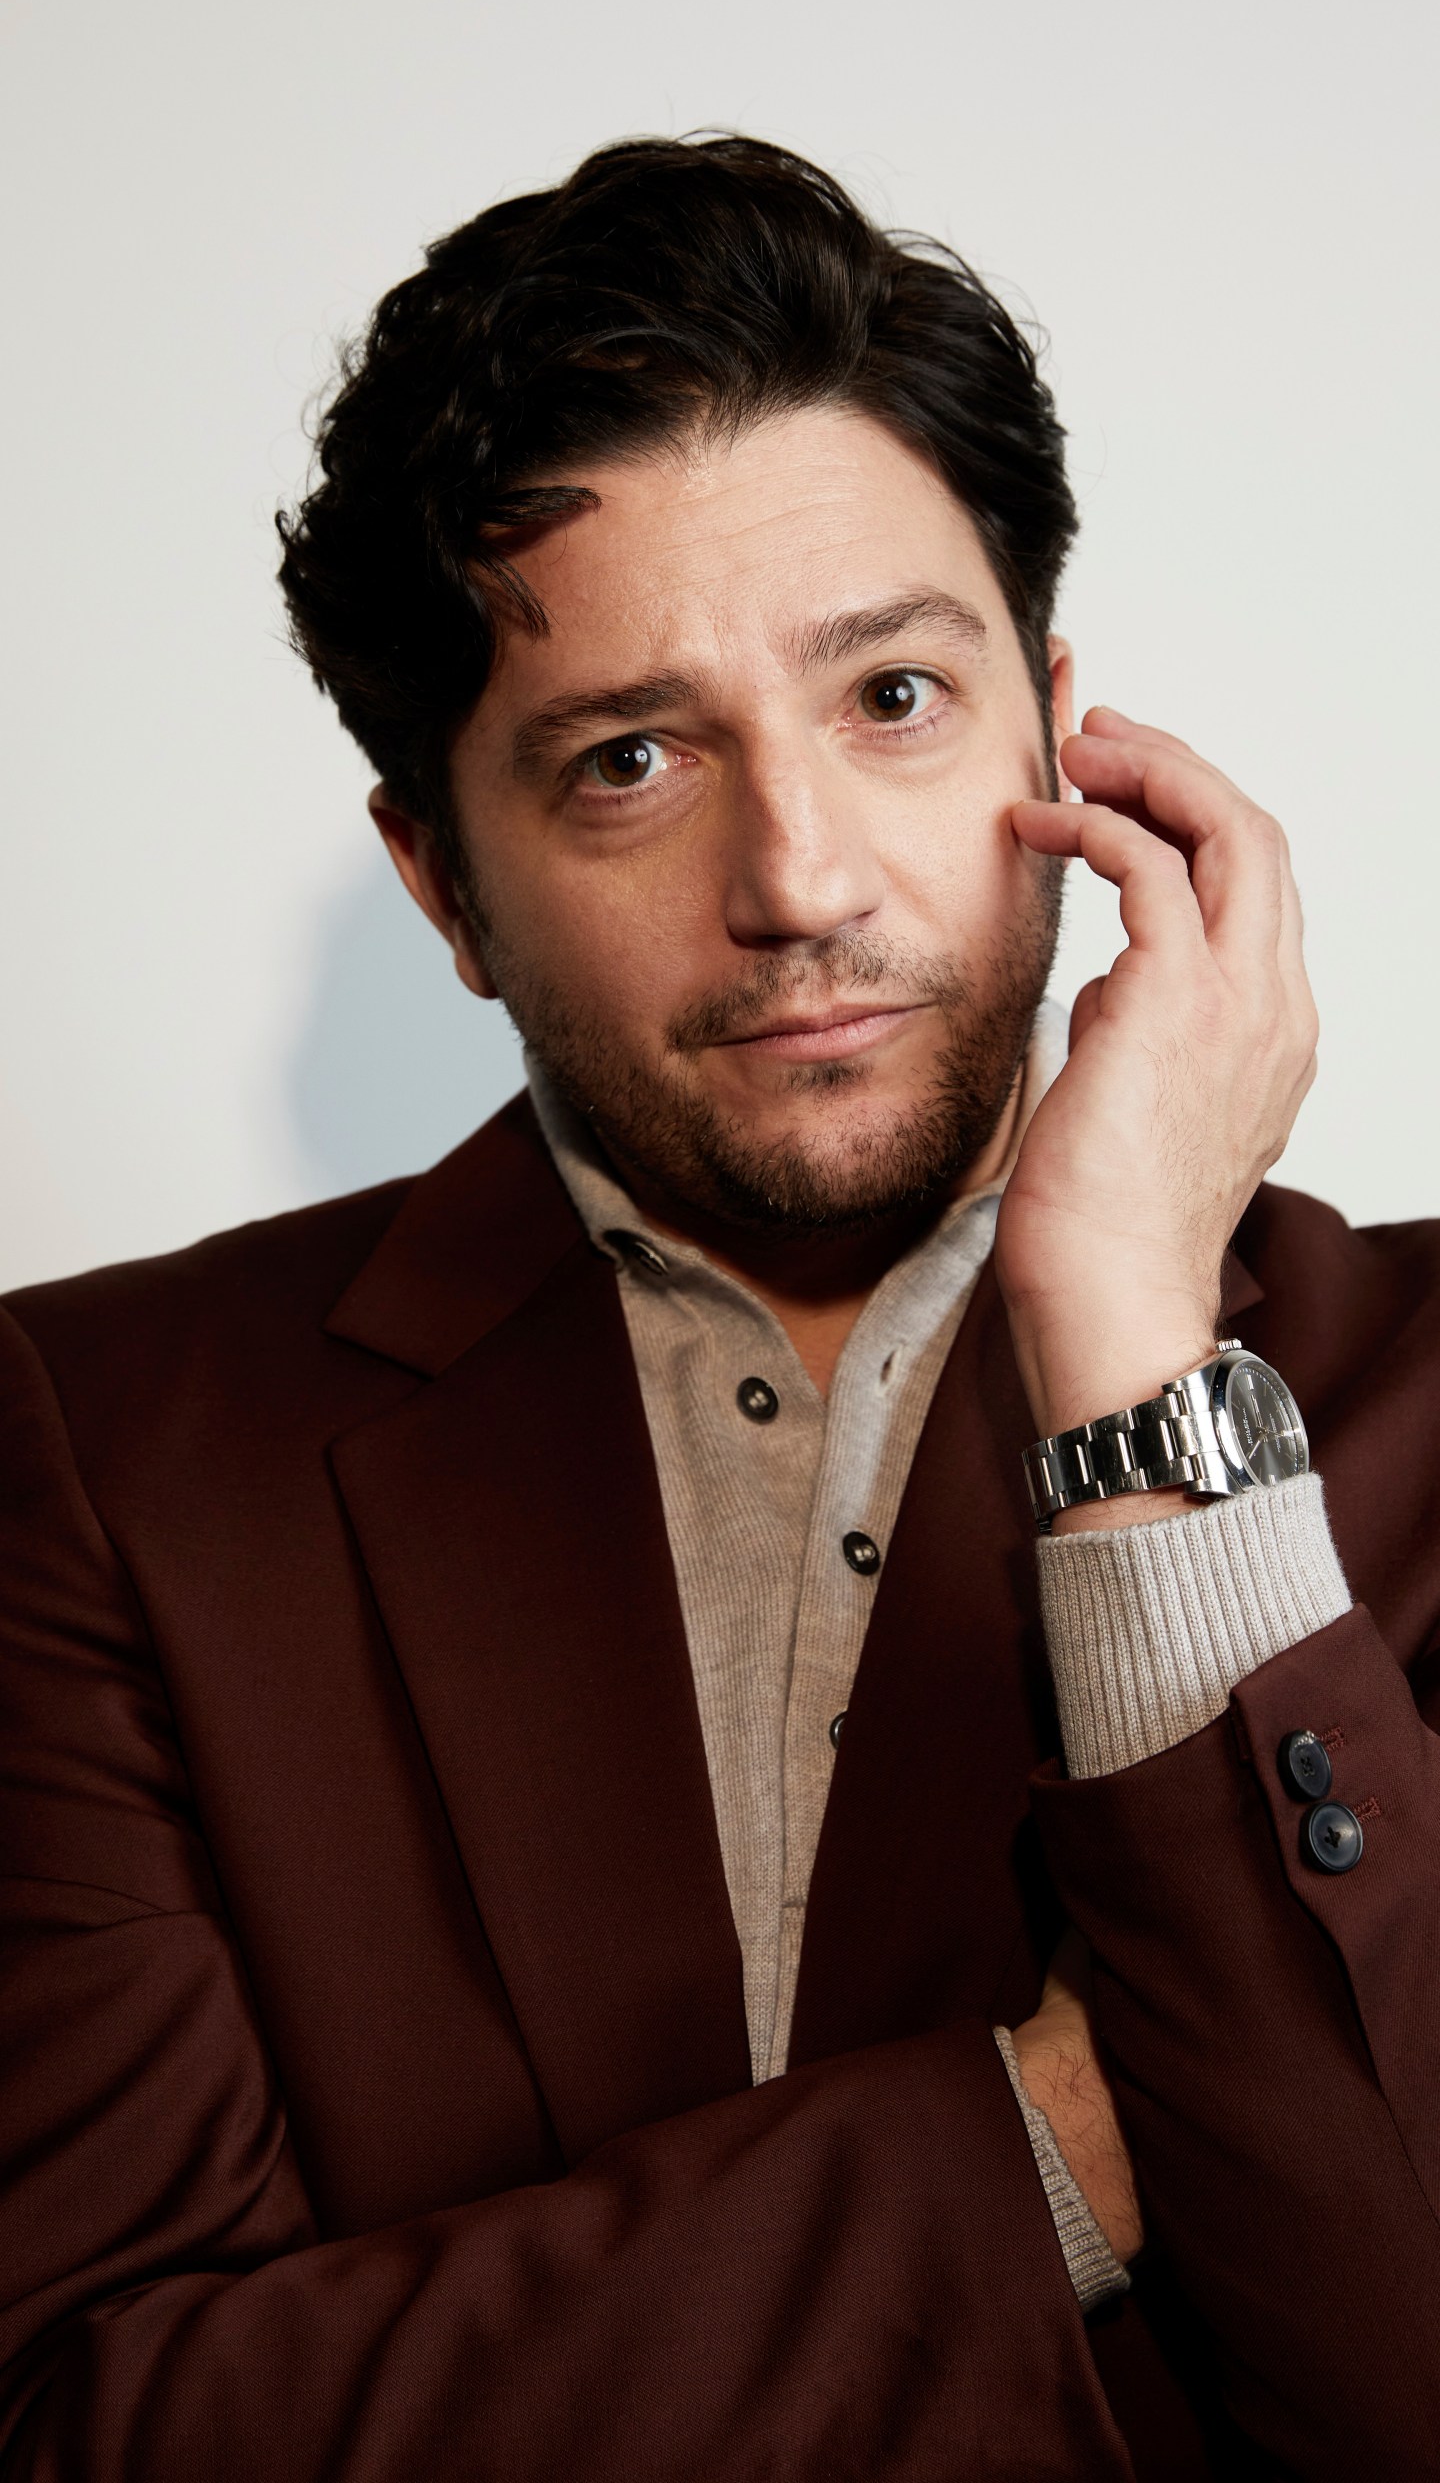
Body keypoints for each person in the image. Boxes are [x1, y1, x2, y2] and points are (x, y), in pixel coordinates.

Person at [2, 134, 1438, 2482]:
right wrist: (1069, 2132)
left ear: (1055, 730)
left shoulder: (1417, 1389)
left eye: (891, 694)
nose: (797, 877)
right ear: (442, 879)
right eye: (632, 760)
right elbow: (91, 2427)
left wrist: (1133, 1361)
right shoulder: (99, 1445)